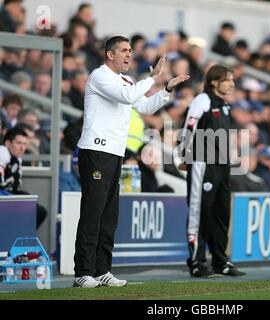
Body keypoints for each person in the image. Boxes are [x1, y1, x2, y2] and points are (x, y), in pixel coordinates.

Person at [73, 35, 189, 288]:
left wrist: (166, 89)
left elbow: (145, 107)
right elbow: (127, 97)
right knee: (92, 213)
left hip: (115, 153)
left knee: (109, 215)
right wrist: (153, 78)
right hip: (96, 151)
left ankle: (102, 270)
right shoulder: (99, 76)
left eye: (130, 50)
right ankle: (83, 272)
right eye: (124, 50)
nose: (129, 54)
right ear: (110, 54)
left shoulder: (126, 80)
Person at [179, 65, 245, 277]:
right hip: (203, 163)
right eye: (228, 79)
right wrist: (184, 155)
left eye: (233, 80)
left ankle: (220, 261)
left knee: (221, 213)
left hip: (222, 165)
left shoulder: (225, 105)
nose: (232, 84)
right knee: (200, 213)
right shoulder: (203, 101)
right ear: (214, 82)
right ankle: (197, 262)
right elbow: (189, 127)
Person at [0, 127, 48, 227]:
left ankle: (20, 235)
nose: (22, 148)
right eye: (19, 143)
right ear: (8, 143)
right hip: (2, 197)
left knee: (35, 205)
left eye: (25, 144)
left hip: (7, 196)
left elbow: (15, 185)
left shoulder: (17, 160)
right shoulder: (2, 152)